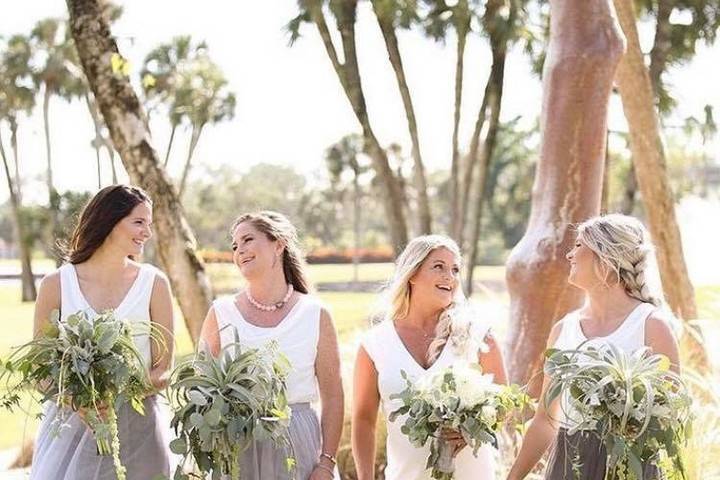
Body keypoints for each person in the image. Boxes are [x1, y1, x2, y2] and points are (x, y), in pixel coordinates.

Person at [507, 214, 680, 480]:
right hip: (570, 466)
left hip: (630, 468)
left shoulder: (651, 325)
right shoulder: (564, 330)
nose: (569, 255)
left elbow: (671, 416)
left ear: (607, 256)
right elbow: (545, 420)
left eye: (578, 246)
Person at [30, 184, 174, 480]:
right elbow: (39, 370)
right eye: (138, 222)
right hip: (72, 431)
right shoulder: (56, 284)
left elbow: (163, 369)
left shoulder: (154, 283)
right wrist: (77, 401)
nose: (147, 232)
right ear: (109, 220)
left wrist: (120, 393)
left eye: (149, 224)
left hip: (140, 429)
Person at [199, 211, 344, 480]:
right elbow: (201, 390)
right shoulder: (220, 313)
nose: (239, 250)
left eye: (247, 239)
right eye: (235, 245)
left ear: (278, 244)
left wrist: (326, 463)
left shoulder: (315, 314)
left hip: (299, 444)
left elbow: (333, 396)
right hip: (237, 446)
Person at [352, 234, 507, 480]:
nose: (450, 277)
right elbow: (363, 420)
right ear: (412, 274)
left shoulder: (478, 335)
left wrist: (472, 429)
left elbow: (504, 404)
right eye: (439, 267)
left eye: (455, 270)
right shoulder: (375, 343)